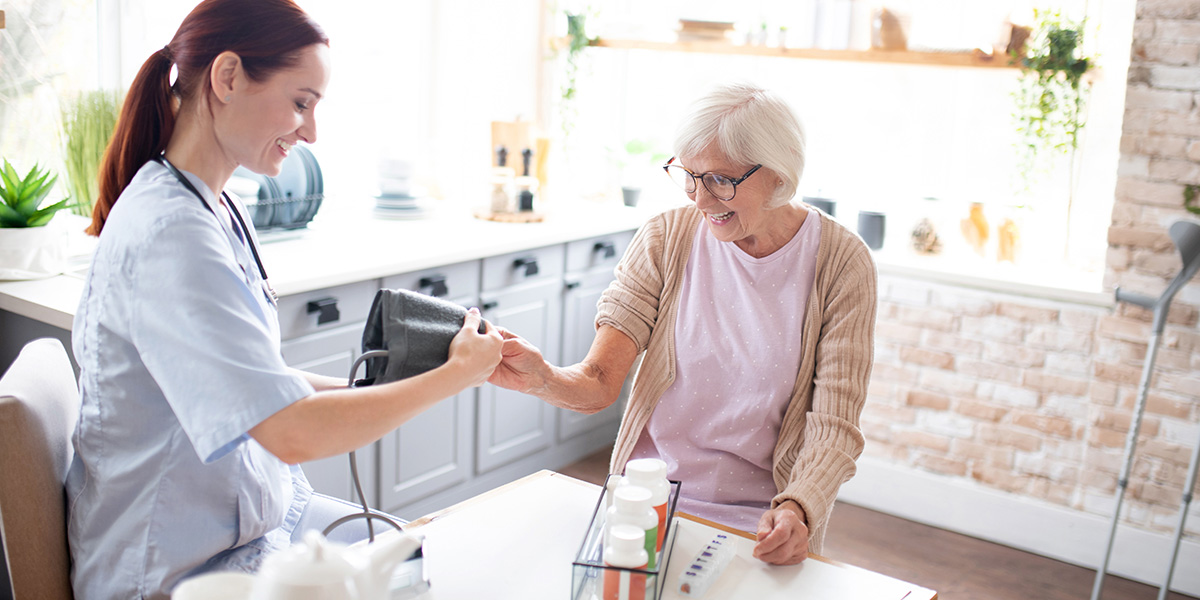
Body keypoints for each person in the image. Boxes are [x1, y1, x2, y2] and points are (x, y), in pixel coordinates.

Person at [67, 1, 503, 598]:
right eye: (301, 103)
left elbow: (251, 381)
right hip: (174, 568)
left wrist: (362, 392)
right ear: (227, 78)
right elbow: (289, 431)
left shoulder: (214, 206)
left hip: (240, 533)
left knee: (425, 557)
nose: (312, 131)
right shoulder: (172, 235)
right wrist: (454, 377)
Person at [489, 82, 876, 566]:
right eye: (688, 175)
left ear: (778, 175)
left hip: (761, 522)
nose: (699, 198)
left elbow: (834, 424)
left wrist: (799, 507)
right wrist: (542, 377)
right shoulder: (665, 238)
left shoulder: (841, 262)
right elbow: (599, 382)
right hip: (646, 503)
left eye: (719, 180)